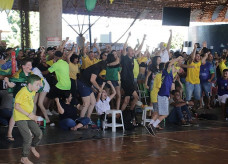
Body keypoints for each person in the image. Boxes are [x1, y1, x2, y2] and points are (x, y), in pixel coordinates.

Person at [146, 56, 182, 136]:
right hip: (162, 95)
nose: (174, 69)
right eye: (172, 67)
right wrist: (177, 58)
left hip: (162, 95)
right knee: (165, 114)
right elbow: (169, 64)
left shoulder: (167, 75)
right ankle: (153, 125)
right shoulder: (167, 72)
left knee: (158, 113)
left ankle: (150, 125)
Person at [14, 74, 42, 164]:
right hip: (20, 117)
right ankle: (24, 158)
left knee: (39, 134)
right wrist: (30, 115)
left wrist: (32, 115)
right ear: (30, 84)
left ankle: (32, 147)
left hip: (29, 116)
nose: (39, 86)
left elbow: (30, 104)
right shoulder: (22, 91)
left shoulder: (33, 91)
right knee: (28, 138)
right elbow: (16, 106)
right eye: (37, 84)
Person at [4, 58, 33, 142]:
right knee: (14, 116)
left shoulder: (32, 75)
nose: (30, 67)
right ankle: (9, 133)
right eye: (28, 65)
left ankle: (28, 132)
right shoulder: (17, 75)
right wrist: (7, 82)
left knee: (28, 115)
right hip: (18, 100)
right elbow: (12, 85)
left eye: (30, 65)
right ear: (23, 66)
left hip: (28, 100)